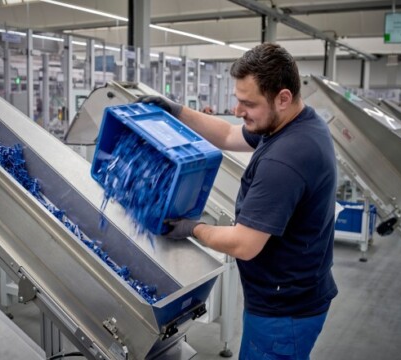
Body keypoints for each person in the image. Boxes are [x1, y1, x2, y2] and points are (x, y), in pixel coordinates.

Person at [138, 42, 338, 360]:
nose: (237, 110)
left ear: (283, 98)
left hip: (283, 313)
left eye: (248, 103)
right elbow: (229, 136)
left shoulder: (287, 158)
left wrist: (193, 228)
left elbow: (245, 244)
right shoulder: (293, 122)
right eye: (237, 99)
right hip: (292, 298)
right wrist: (175, 110)